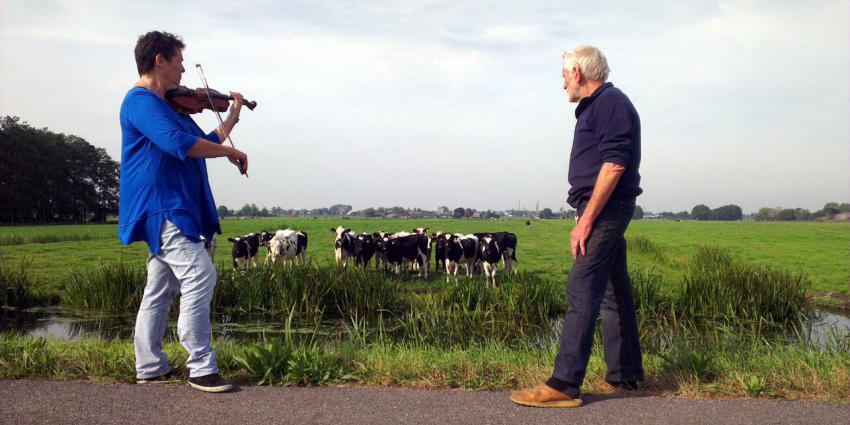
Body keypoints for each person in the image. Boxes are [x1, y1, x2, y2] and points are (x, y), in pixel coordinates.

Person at [511, 45, 644, 408]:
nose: (563, 85)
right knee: (614, 289)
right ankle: (625, 375)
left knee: (581, 286)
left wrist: (587, 219)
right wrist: (583, 209)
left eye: (564, 76)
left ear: (578, 72)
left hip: (606, 208)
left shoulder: (610, 102)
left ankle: (564, 383)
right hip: (601, 206)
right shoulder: (600, 105)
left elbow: (614, 165)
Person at [119, 30, 248, 393]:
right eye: (178, 61)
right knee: (200, 275)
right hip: (162, 205)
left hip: (173, 204)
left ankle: (149, 366)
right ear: (159, 60)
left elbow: (203, 140)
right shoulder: (141, 102)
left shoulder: (167, 106)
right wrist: (230, 152)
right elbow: (179, 143)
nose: (182, 71)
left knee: (159, 288)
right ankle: (201, 367)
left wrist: (233, 116)